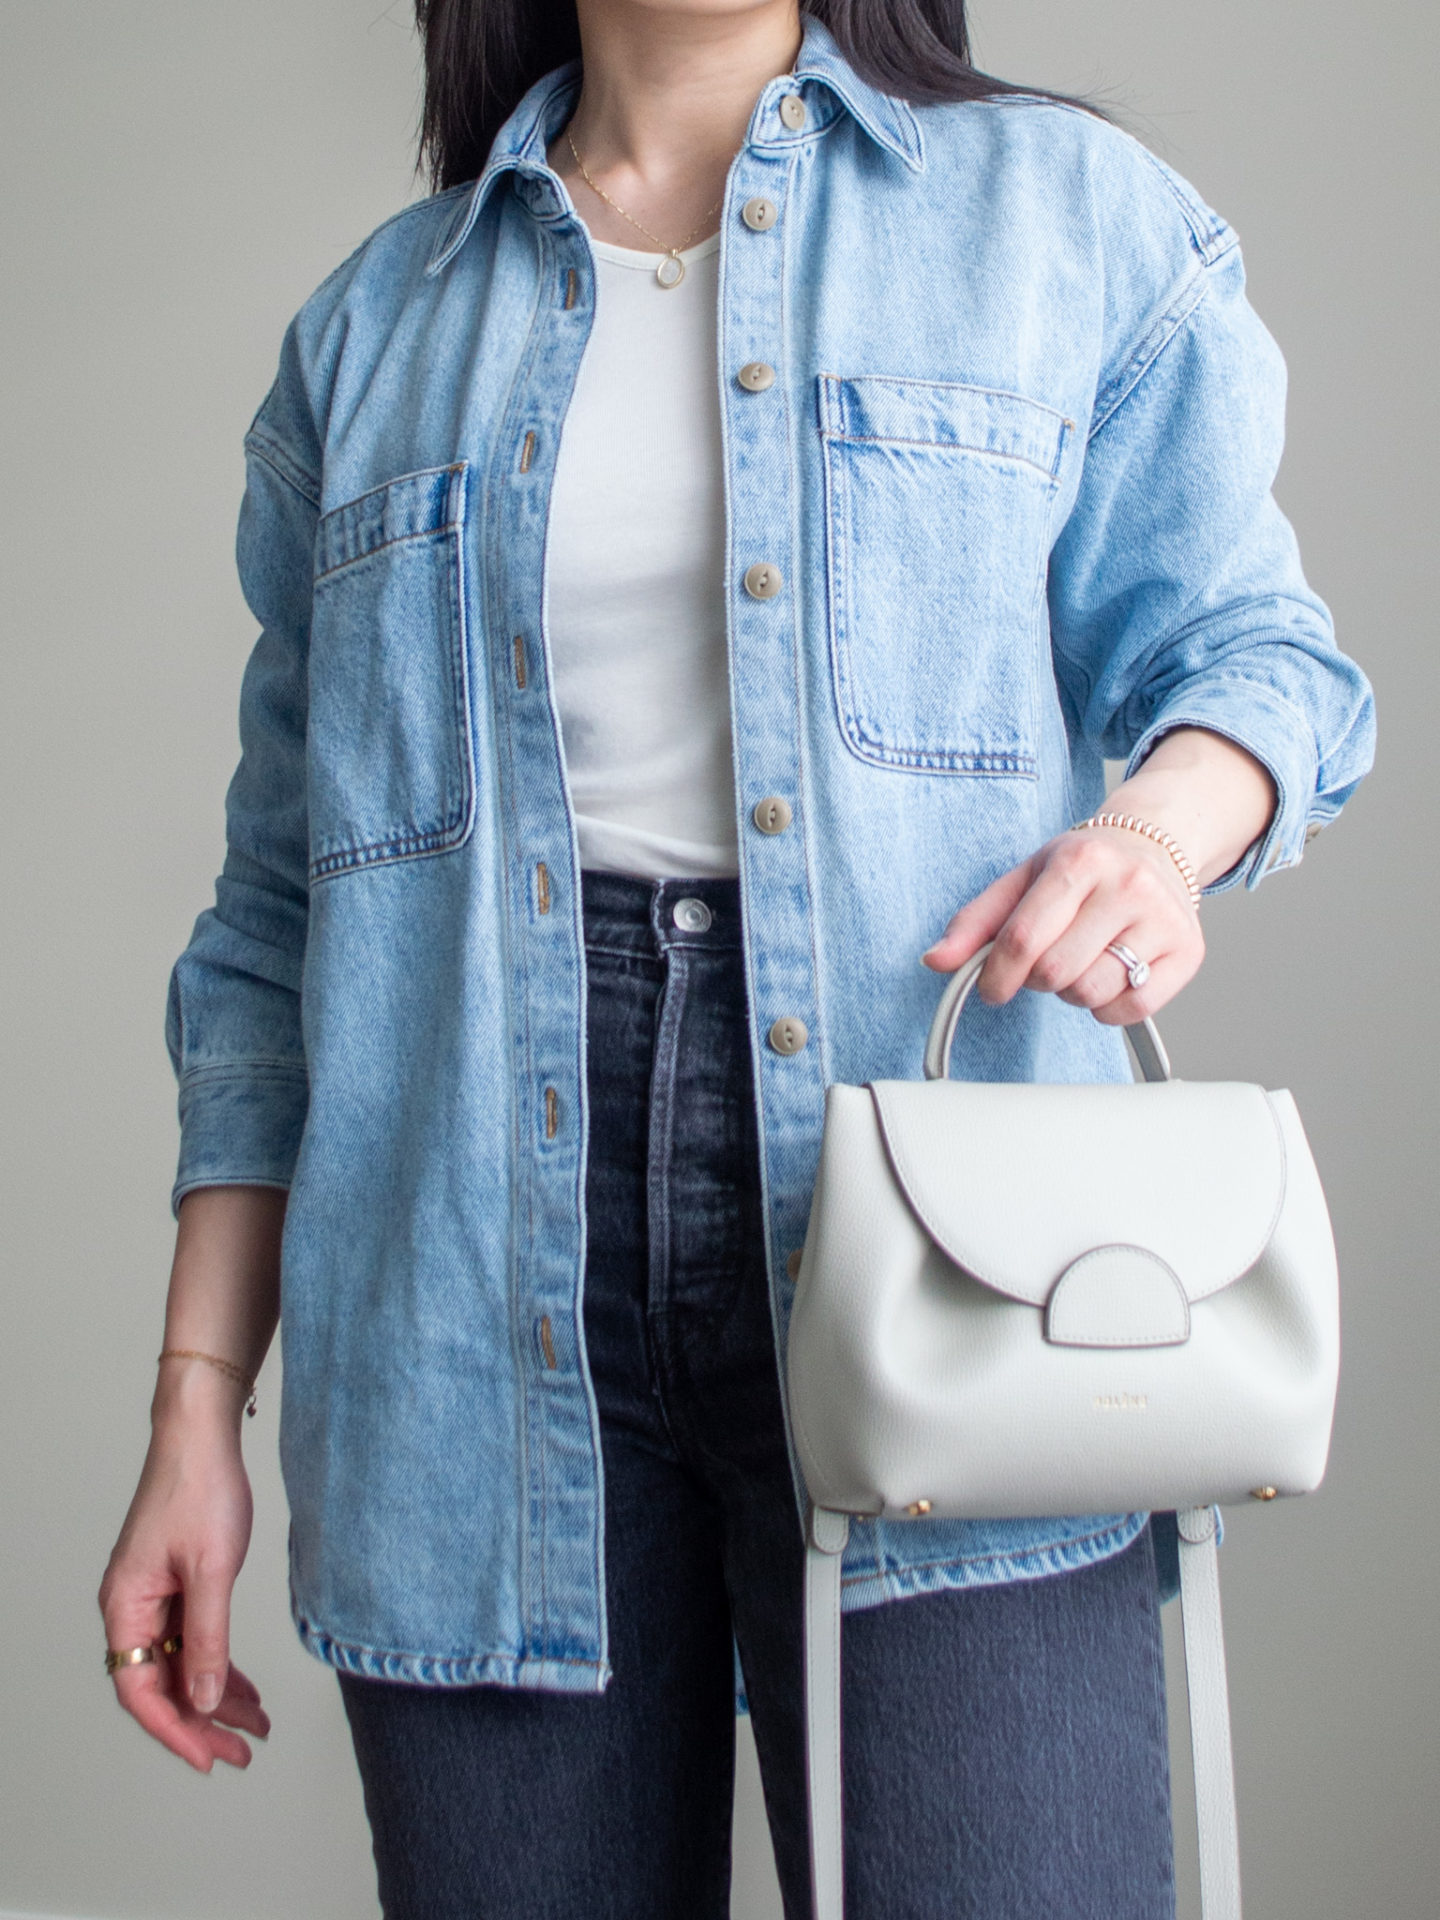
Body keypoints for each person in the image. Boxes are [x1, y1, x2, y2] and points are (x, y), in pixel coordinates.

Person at [98, 2, 1375, 1915]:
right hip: (462, 1318)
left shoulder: (1067, 219)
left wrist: (1152, 836)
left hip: (957, 1252)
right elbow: (277, 925)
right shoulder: (374, 332)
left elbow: (1264, 662)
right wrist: (197, 1406)